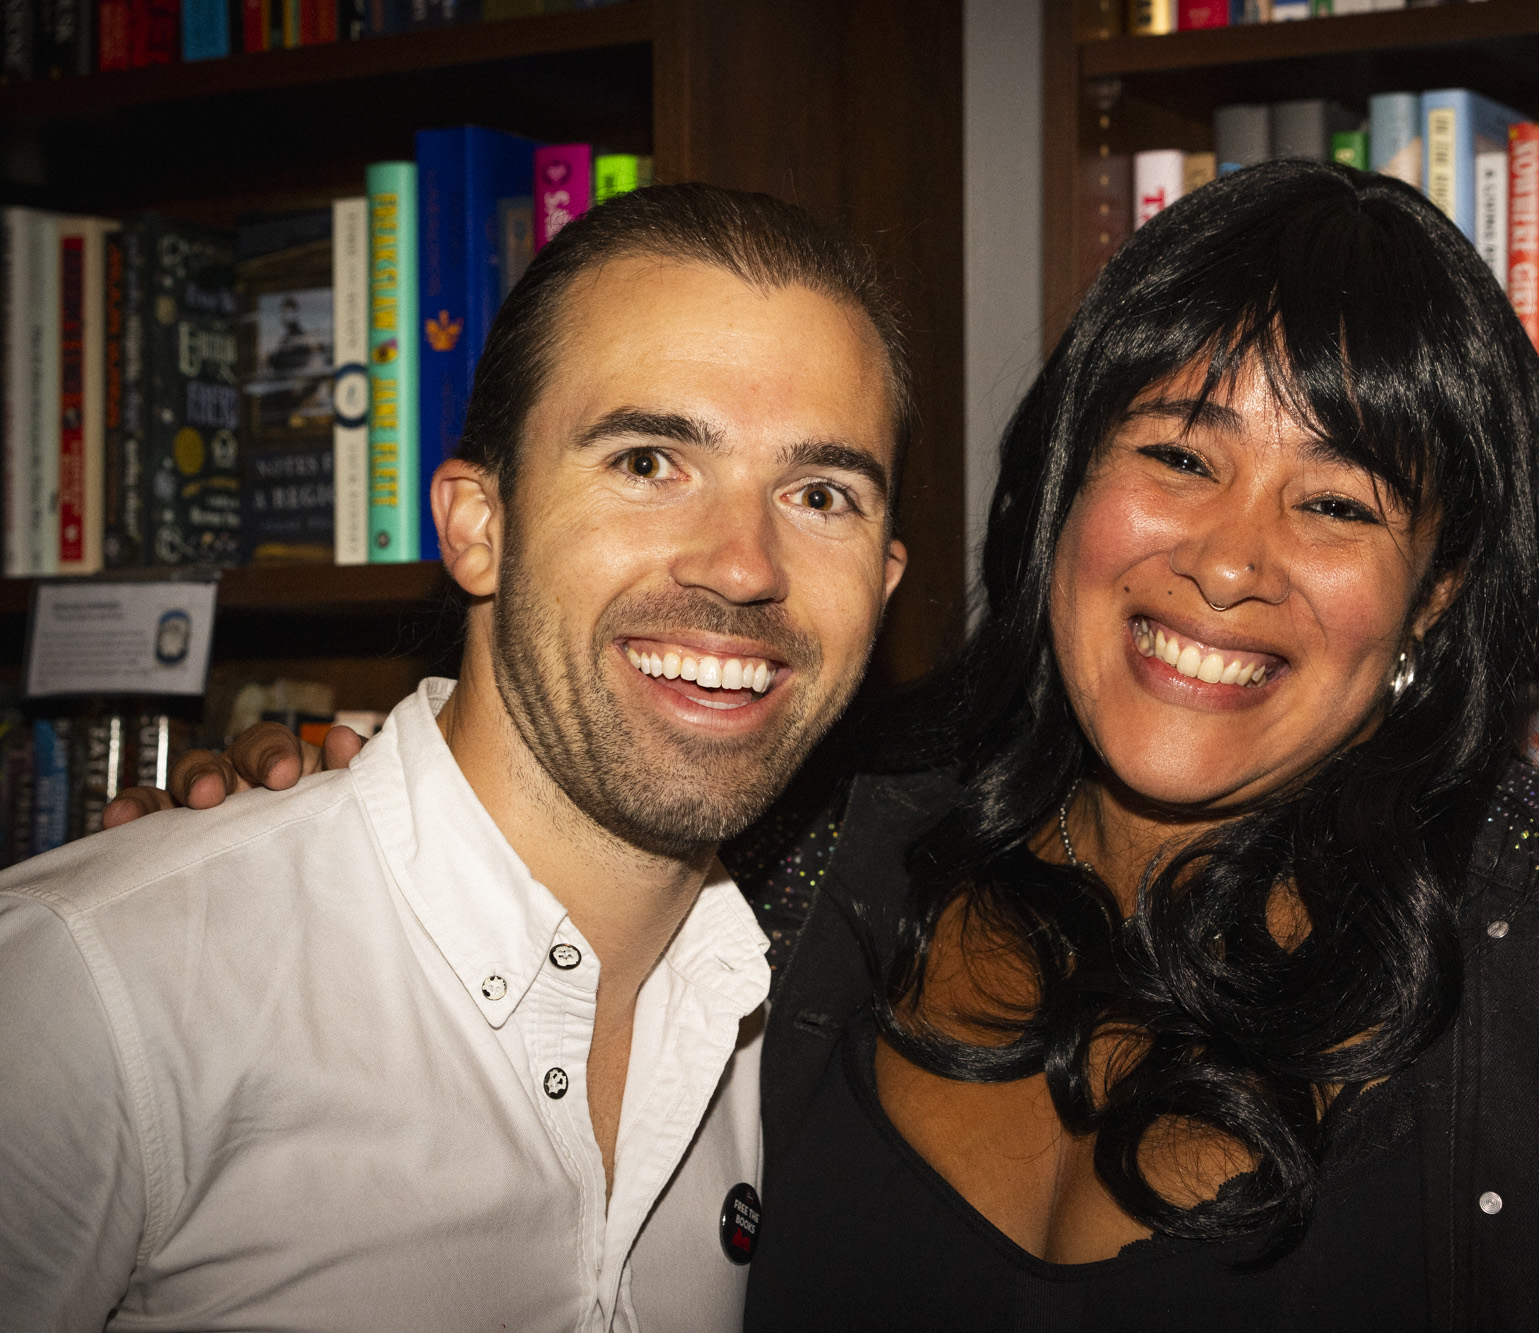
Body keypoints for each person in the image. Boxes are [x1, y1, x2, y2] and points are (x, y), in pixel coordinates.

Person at [112, 161, 1539, 1329]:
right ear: (1056, 497)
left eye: (1338, 501)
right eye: (1174, 453)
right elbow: (501, 852)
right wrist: (307, 821)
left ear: (1433, 601)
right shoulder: (801, 869)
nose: (1229, 558)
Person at [0, 185, 910, 1330]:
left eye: (820, 493)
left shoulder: (814, 1020)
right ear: (478, 524)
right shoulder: (95, 990)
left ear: (880, 588)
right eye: (646, 462)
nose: (741, 565)